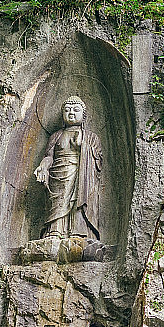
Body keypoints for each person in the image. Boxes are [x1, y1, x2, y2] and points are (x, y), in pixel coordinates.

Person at [34, 96, 102, 240]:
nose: (71, 113)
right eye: (67, 110)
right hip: (59, 174)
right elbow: (49, 157)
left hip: (81, 175)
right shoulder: (56, 136)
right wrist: (43, 167)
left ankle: (79, 232)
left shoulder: (90, 137)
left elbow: (98, 161)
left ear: (83, 116)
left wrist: (82, 146)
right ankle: (55, 232)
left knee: (78, 201)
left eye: (76, 110)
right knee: (59, 202)